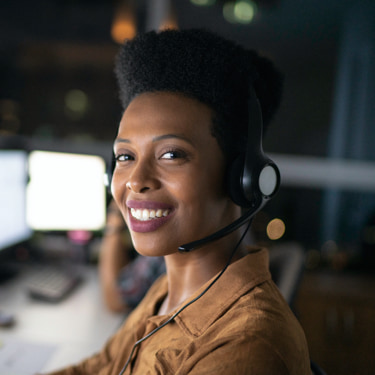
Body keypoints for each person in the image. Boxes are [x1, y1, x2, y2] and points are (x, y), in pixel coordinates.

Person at [45, 28, 310, 374]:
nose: (137, 181)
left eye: (171, 154)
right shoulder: (168, 290)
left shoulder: (247, 345)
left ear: (241, 178)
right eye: (125, 156)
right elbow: (100, 367)